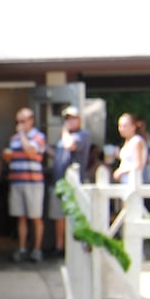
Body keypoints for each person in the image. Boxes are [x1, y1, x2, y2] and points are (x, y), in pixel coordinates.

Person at [47, 107, 94, 255]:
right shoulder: (64, 138)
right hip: (59, 182)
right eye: (67, 118)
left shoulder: (83, 135)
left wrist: (64, 131)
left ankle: (77, 247)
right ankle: (60, 247)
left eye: (73, 118)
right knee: (59, 216)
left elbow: (70, 145)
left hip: (74, 185)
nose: (69, 121)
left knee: (74, 216)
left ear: (80, 119)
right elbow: (60, 156)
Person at [3, 107, 47, 263]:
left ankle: (37, 249)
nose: (20, 124)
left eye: (23, 121)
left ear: (31, 121)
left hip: (33, 182)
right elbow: (12, 157)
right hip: (17, 181)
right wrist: (7, 157)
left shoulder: (38, 136)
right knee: (20, 217)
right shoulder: (14, 139)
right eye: (18, 121)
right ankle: (22, 248)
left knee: (35, 217)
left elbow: (30, 151)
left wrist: (22, 134)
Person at [112, 112, 147, 187]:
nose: (121, 129)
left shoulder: (137, 141)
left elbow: (138, 164)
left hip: (133, 183)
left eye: (124, 126)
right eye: (120, 126)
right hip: (124, 183)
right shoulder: (128, 142)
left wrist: (121, 172)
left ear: (133, 127)